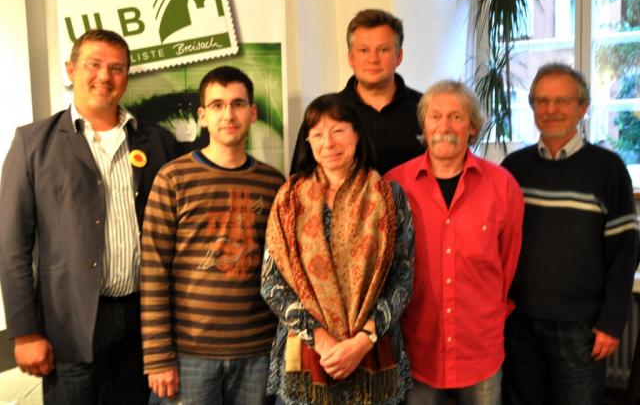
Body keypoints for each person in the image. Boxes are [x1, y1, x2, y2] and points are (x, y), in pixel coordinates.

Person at [0, 29, 178, 404]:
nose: (104, 77)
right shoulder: (33, 144)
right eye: (93, 65)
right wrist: (24, 332)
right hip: (70, 327)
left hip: (143, 322)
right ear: (71, 69)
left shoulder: (157, 141)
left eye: (116, 68)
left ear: (126, 77)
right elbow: (12, 245)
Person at [140, 66, 285, 405]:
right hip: (189, 354)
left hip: (257, 351)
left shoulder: (273, 183)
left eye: (237, 104)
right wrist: (158, 356)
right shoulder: (172, 178)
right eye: (217, 105)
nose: (228, 115)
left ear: (252, 113)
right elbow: (153, 271)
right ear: (203, 116)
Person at [261, 93, 415, 404]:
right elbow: (271, 282)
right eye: (317, 134)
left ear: (357, 134)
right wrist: (322, 341)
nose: (328, 143)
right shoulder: (289, 198)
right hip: (307, 353)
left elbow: (403, 277)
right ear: (308, 142)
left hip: (373, 351)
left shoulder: (388, 195)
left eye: (338, 131)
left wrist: (363, 340)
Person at [501, 63, 640, 405]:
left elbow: (625, 253)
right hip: (519, 321)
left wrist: (611, 322)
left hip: (581, 326)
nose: (551, 109)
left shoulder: (608, 169)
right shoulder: (513, 169)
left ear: (583, 107)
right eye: (542, 101)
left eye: (562, 101)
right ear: (533, 107)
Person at [386, 80, 524, 404]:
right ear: (424, 125)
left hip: (480, 346)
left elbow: (509, 262)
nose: (444, 126)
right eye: (435, 116)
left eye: (456, 117)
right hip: (419, 345)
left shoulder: (502, 186)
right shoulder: (395, 185)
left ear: (472, 127)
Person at [291, 9, 424, 175]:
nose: (373, 59)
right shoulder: (325, 113)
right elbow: (300, 177)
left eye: (383, 50)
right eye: (363, 50)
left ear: (399, 56)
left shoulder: (426, 109)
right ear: (350, 57)